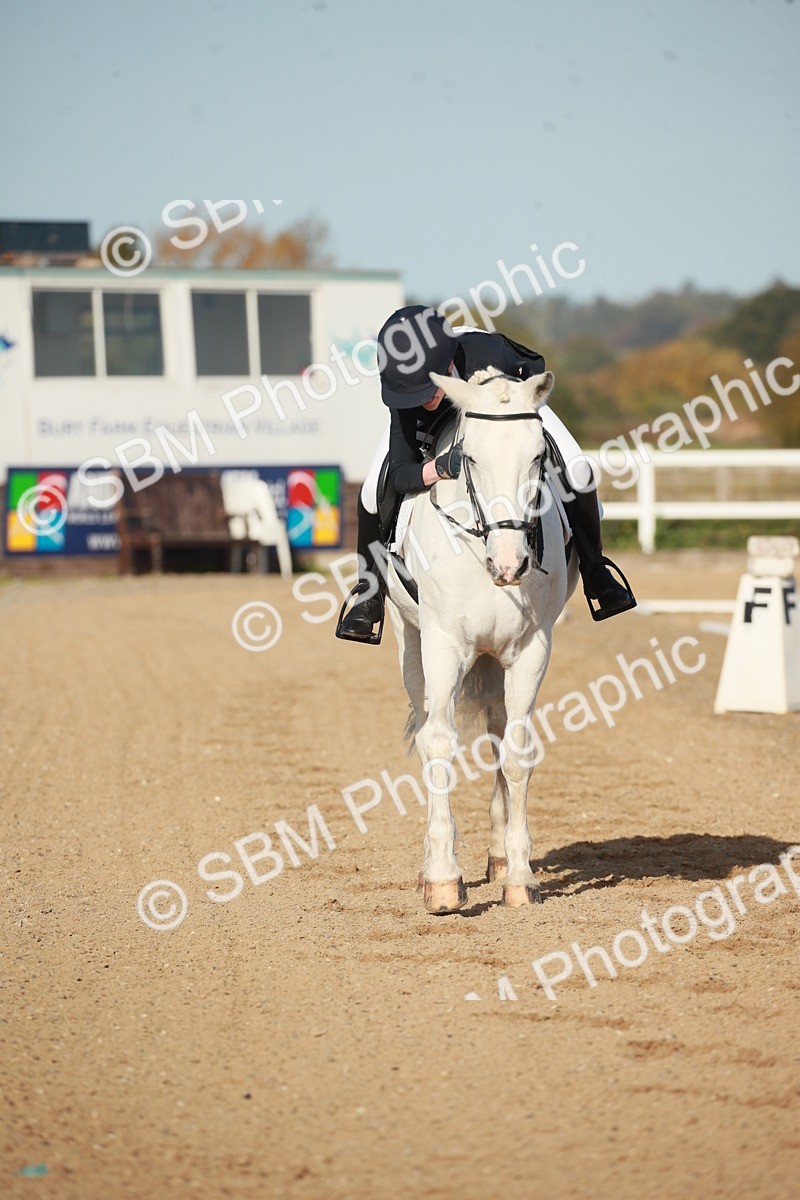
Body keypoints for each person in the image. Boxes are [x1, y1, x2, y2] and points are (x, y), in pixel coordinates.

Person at [336, 304, 635, 643]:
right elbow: (402, 474)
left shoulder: (491, 355)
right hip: (437, 426)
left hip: (507, 405)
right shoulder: (407, 393)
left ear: (447, 367)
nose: (423, 400)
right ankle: (368, 592)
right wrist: (437, 468)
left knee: (578, 468)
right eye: (413, 394)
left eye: (428, 391)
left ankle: (596, 571)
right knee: (370, 491)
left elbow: (536, 372)